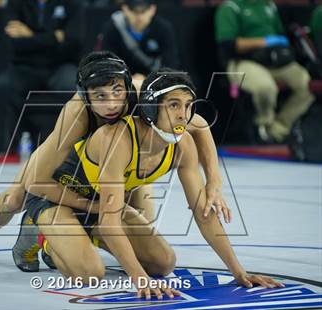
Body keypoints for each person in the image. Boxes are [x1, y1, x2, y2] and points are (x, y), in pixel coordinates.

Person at [0, 51, 225, 273]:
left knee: (141, 218)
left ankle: (77, 238)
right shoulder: (77, 113)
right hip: (65, 163)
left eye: (117, 93)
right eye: (99, 96)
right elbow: (39, 178)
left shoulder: (141, 94)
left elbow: (196, 123)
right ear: (85, 95)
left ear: (127, 87)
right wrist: (92, 207)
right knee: (15, 197)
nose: (112, 104)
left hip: (114, 166)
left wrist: (214, 181)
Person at [19, 68, 284, 299]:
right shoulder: (118, 138)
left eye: (189, 105)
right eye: (174, 105)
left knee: (163, 263)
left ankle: (85, 237)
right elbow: (109, 222)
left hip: (101, 203)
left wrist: (239, 272)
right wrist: (139, 278)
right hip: (59, 197)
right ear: (149, 107)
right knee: (89, 274)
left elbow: (204, 215)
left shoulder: (183, 144)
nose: (184, 115)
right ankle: (47, 240)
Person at [215, 0, 314, 143]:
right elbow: (228, 45)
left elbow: (280, 32)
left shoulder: (268, 5)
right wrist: (264, 41)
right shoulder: (230, 7)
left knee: (307, 84)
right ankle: (263, 125)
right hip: (243, 62)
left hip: (275, 61)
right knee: (266, 87)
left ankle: (277, 130)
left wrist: (280, 43)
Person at [0, 0, 84, 148]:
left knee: (75, 87)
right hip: (26, 66)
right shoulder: (16, 3)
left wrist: (30, 34)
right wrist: (55, 37)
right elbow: (15, 44)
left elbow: (74, 41)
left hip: (61, 65)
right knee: (4, 85)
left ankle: (72, 144)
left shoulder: (72, 3)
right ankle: (12, 145)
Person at [98, 0, 179, 89]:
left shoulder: (163, 29)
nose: (139, 17)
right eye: (134, 11)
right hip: (122, 84)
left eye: (143, 11)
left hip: (155, 84)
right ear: (125, 9)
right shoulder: (113, 28)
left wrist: (147, 78)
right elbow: (108, 63)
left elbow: (170, 64)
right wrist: (127, 79)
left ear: (152, 10)